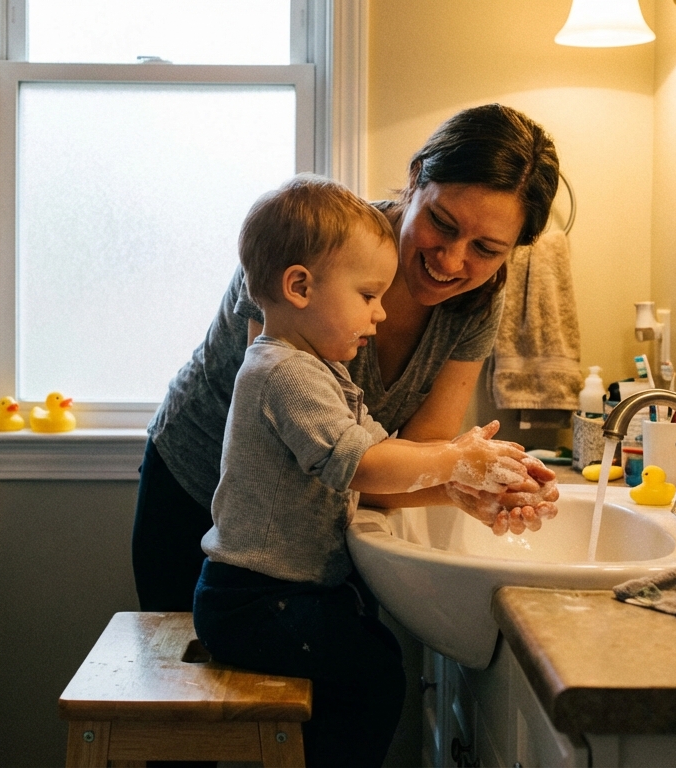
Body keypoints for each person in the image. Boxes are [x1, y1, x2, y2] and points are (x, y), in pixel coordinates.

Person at [136, 103, 563, 613]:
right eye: (442, 223)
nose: (452, 260)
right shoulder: (310, 248)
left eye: (487, 248)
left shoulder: (478, 301)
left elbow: (416, 458)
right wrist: (453, 470)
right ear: (414, 181)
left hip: (316, 520)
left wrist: (463, 487)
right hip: (197, 487)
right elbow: (299, 443)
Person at [193, 175, 537, 767]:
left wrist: (462, 489)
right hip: (256, 598)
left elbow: (387, 460)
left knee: (369, 666)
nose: (381, 314)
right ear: (299, 287)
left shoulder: (323, 372)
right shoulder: (283, 371)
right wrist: (458, 459)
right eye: (368, 296)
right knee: (373, 676)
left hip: (280, 594)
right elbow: (363, 464)